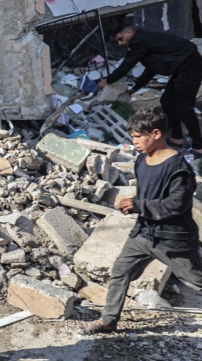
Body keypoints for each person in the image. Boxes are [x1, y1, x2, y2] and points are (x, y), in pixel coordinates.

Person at [81, 108, 202, 334]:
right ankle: (108, 320)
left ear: (156, 133)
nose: (134, 141)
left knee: (197, 281)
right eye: (133, 137)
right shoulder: (142, 160)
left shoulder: (178, 168)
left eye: (138, 137)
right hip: (144, 233)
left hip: (173, 238)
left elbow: (177, 205)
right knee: (120, 271)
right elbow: (149, 195)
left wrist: (137, 205)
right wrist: (134, 203)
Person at [98, 26, 202, 157]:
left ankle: (198, 146)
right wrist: (134, 89)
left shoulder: (139, 40)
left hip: (190, 65)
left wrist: (108, 80)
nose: (121, 43)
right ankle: (177, 137)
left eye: (121, 39)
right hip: (181, 67)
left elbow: (127, 64)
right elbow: (151, 69)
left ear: (130, 33)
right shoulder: (146, 44)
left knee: (184, 108)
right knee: (167, 101)